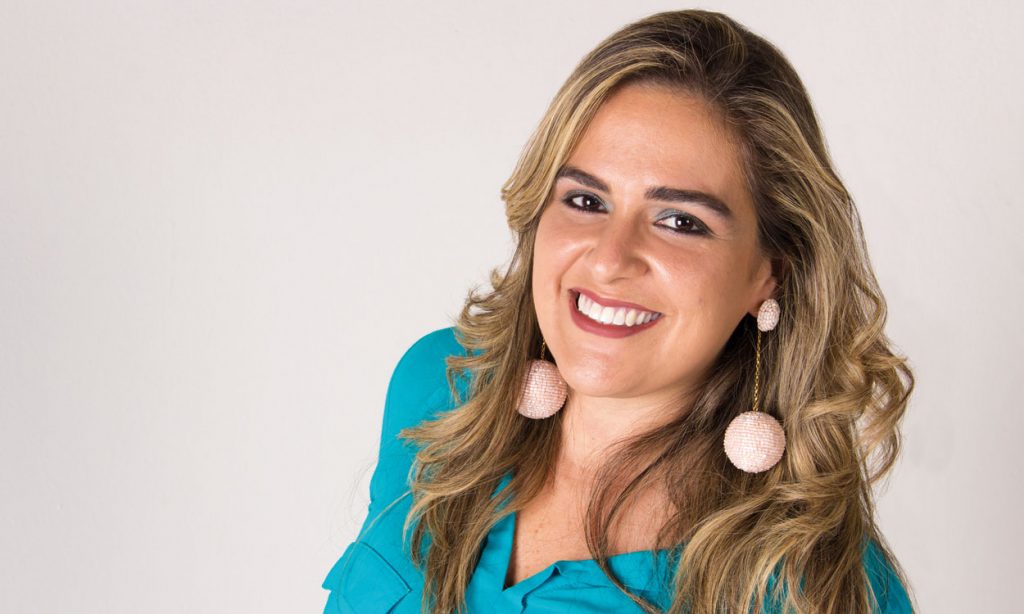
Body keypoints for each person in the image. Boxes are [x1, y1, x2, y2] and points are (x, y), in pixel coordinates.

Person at [322, 9, 915, 613]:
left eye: (680, 221)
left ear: (770, 272)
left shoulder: (816, 585)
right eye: (586, 200)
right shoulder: (441, 383)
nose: (609, 260)